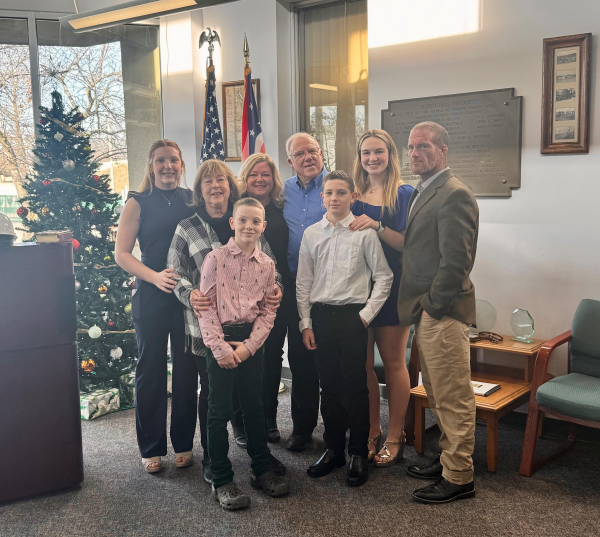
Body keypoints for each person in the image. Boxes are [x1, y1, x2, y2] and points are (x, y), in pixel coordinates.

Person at [167, 159, 285, 483]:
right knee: (212, 396)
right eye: (208, 181)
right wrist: (189, 294)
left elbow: (269, 270)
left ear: (230, 186)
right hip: (204, 325)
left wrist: (277, 291)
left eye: (221, 179)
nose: (216, 185)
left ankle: (255, 452)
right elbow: (173, 273)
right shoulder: (187, 227)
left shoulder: (250, 218)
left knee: (250, 395)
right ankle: (213, 459)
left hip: (248, 326)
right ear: (200, 189)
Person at [397, 121, 478, 504]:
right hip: (426, 310)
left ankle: (460, 476)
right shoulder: (423, 190)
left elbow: (457, 263)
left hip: (442, 312)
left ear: (443, 150)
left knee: (452, 395)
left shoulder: (453, 194)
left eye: (424, 146)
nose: (415, 153)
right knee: (435, 390)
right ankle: (448, 460)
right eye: (411, 147)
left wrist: (431, 307)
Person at [297, 171, 393, 487]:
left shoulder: (363, 233)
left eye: (341, 192)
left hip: (354, 318)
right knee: (329, 385)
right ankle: (334, 448)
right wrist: (306, 322)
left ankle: (357, 451)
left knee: (356, 385)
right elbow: (304, 281)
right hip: (321, 318)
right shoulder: (311, 234)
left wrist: (365, 316)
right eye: (329, 193)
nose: (335, 198)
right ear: (321, 197)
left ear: (352, 196)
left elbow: (384, 277)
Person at [199, 197, 290, 510]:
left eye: (256, 221)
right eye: (243, 220)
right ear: (232, 223)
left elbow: (267, 312)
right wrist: (222, 349)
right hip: (221, 342)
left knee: (254, 407)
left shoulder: (267, 265)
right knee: (218, 411)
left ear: (263, 227)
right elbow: (206, 307)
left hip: (252, 343)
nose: (249, 226)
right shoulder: (215, 259)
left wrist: (250, 346)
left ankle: (261, 469)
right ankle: (222, 479)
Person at [115, 139, 199, 474]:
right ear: (151, 165)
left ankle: (183, 442)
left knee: (186, 368)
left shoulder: (192, 200)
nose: (168, 167)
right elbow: (122, 254)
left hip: (185, 294)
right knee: (149, 368)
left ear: (181, 165)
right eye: (161, 161)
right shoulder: (137, 203)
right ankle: (150, 447)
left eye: (174, 161)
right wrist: (153, 277)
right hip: (150, 291)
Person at [350, 129, 414, 466]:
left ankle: (395, 434)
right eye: (366, 153)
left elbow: (408, 244)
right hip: (359, 290)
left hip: (393, 288)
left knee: (392, 363)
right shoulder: (354, 193)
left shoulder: (404, 194)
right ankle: (373, 430)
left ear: (391, 154)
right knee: (362, 366)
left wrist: (375, 225)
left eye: (379, 152)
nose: (372, 158)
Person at [237, 153, 290, 443]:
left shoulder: (282, 210)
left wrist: (277, 288)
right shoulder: (239, 209)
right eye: (254, 174)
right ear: (246, 177)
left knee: (271, 357)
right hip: (242, 300)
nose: (260, 179)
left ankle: (269, 420)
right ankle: (244, 422)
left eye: (265, 174)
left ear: (273, 180)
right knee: (246, 357)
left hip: (275, 295)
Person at [281, 132, 327, 452]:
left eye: (313, 151)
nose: (308, 157)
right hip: (295, 288)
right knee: (300, 360)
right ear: (291, 161)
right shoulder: (282, 191)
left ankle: (340, 427)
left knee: (334, 362)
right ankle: (302, 427)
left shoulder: (337, 185)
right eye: (301, 154)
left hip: (331, 289)